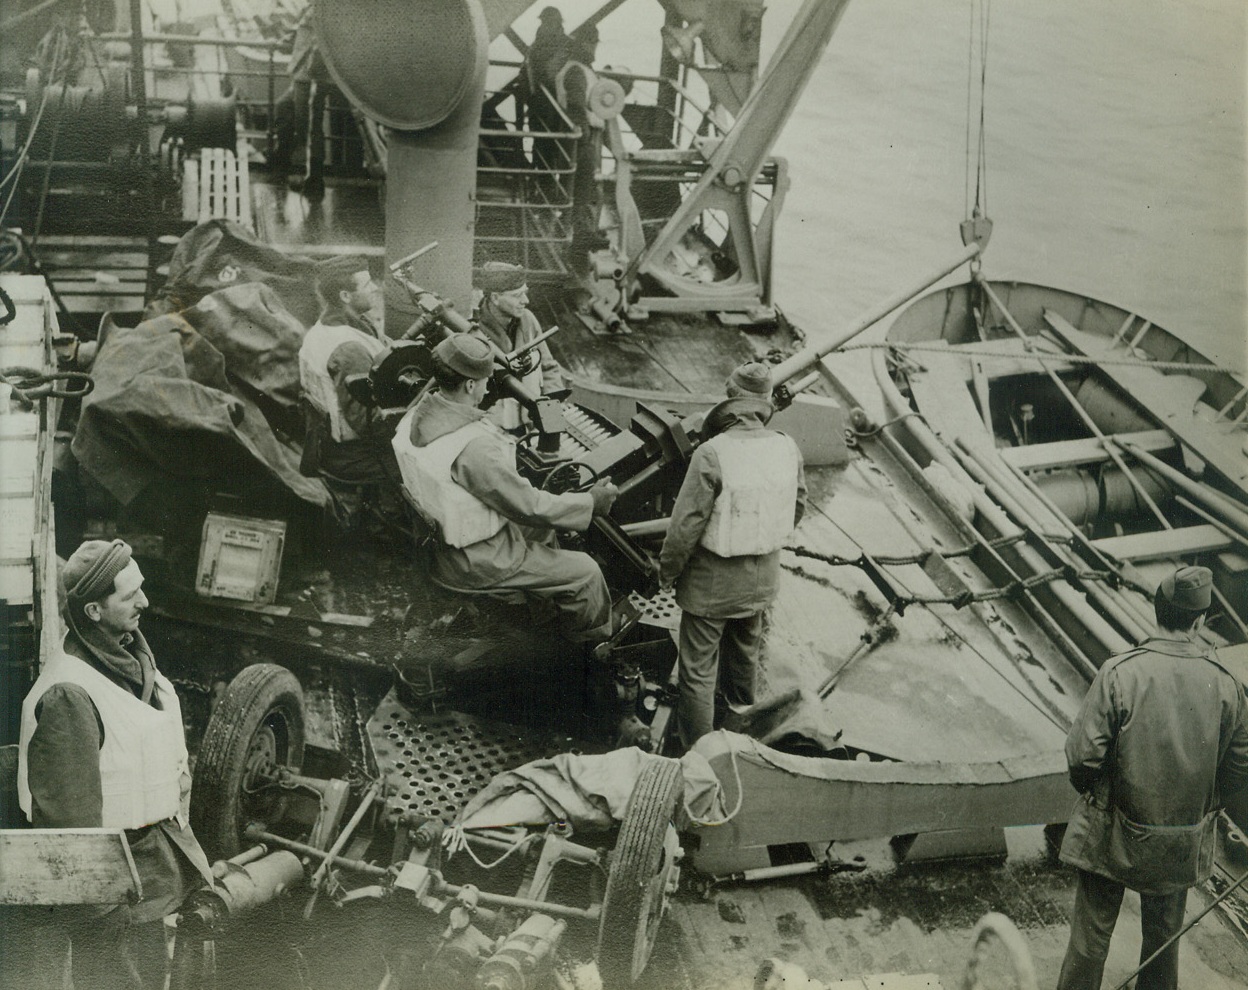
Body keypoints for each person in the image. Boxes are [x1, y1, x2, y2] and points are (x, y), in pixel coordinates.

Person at [16, 539, 214, 989]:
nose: (145, 602)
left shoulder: (127, 657)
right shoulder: (69, 695)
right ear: (93, 612)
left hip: (152, 877)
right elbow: (70, 829)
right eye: (130, 595)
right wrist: (105, 930)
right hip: (113, 902)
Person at [1056, 564, 1248, 990]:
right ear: (1199, 622)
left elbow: (1082, 758)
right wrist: (1200, 807)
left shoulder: (1120, 672)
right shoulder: (1228, 684)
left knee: (1089, 944)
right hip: (1180, 842)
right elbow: (1238, 770)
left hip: (1111, 834)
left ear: (1157, 613)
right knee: (1163, 944)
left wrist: (1102, 795)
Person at [392, 334, 617, 642]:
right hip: (476, 561)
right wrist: (591, 502)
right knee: (586, 574)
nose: (489, 386)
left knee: (544, 531)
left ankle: (541, 607)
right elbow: (530, 506)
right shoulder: (473, 448)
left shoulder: (412, 418)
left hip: (439, 549)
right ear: (470, 385)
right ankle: (587, 651)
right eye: (486, 380)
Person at [658, 362, 806, 750]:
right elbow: (798, 505)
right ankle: (739, 738)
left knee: (698, 672)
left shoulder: (711, 453)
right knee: (744, 660)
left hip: (711, 586)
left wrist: (667, 571)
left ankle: (700, 753)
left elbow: (684, 527)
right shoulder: (787, 446)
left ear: (730, 403)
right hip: (761, 582)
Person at [299, 256, 398, 505]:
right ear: (345, 296)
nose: (375, 288)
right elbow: (370, 422)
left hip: (328, 448)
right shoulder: (348, 348)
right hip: (355, 457)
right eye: (367, 285)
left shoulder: (322, 329)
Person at [473, 260, 565, 430]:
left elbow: (548, 367)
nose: (526, 300)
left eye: (525, 293)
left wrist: (553, 409)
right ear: (495, 298)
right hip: (494, 427)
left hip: (530, 422)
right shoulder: (474, 330)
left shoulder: (528, 320)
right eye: (517, 295)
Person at [555, 25, 605, 267]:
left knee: (578, 189)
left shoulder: (575, 69)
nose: (595, 48)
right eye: (592, 43)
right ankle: (580, 239)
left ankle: (579, 234)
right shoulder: (576, 71)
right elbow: (575, 103)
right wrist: (585, 136)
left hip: (575, 137)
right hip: (581, 138)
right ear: (584, 44)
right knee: (582, 190)